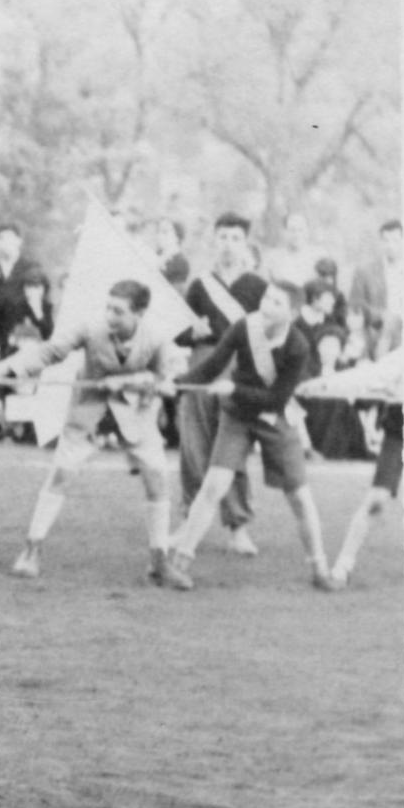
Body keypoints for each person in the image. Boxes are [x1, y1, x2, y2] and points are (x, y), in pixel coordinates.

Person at [0, 279, 180, 582]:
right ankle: (31, 550)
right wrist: (1, 370)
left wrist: (131, 381)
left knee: (157, 479)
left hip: (135, 416)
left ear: (139, 313)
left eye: (119, 311)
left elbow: (166, 383)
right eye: (108, 308)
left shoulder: (156, 338)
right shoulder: (91, 328)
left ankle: (160, 561)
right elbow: (48, 352)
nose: (109, 316)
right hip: (89, 412)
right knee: (61, 474)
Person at [163, 280, 336, 592]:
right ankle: (178, 564)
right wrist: (175, 384)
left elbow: (276, 400)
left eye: (278, 304)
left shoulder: (298, 346)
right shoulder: (245, 327)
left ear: (293, 313)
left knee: (298, 495)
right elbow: (211, 366)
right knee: (214, 484)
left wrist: (234, 388)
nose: (268, 306)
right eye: (267, 298)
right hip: (238, 415)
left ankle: (320, 567)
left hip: (275, 418)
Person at [176, 213, 269, 555]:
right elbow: (181, 332)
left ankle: (238, 526)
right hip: (202, 363)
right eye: (223, 237)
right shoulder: (200, 286)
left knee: (235, 446)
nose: (228, 244)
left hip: (239, 368)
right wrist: (192, 331)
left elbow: (269, 332)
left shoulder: (257, 287)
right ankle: (189, 520)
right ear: (213, 241)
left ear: (245, 244)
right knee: (194, 442)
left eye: (235, 238)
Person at [314, 327, 404, 586]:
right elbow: (365, 377)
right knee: (376, 500)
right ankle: (342, 567)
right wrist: (324, 384)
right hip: (399, 434)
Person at [348, 219, 404, 328]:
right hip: (377, 329)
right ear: (380, 242)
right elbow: (355, 303)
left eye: (395, 240)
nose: (390, 246)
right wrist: (381, 315)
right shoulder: (364, 271)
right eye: (385, 240)